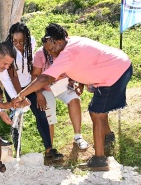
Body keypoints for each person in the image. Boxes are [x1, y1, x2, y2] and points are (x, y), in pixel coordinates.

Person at [12, 23, 132, 171]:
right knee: (99, 109)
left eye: (52, 49)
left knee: (97, 113)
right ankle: (107, 137)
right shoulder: (71, 41)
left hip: (116, 72)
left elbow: (44, 79)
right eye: (48, 51)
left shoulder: (66, 53)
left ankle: (99, 160)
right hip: (117, 66)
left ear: (60, 42)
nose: (51, 54)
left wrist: (21, 95)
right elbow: (85, 62)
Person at [4, 22, 63, 159]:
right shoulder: (9, 49)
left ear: (27, 39)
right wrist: (20, 96)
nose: (18, 44)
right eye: (15, 41)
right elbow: (13, 76)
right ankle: (17, 151)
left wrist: (38, 92)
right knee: (15, 118)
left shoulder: (32, 42)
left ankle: (49, 150)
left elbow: (33, 70)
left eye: (21, 41)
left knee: (41, 115)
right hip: (14, 88)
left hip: (31, 85)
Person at [32, 46, 89, 150]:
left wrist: (75, 83)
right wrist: (38, 93)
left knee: (74, 99)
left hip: (62, 85)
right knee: (49, 116)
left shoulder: (67, 50)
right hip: (45, 87)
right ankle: (49, 149)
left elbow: (77, 69)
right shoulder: (40, 53)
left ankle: (78, 137)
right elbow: (35, 75)